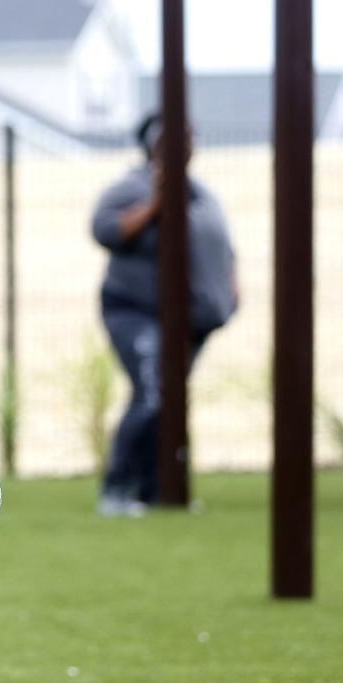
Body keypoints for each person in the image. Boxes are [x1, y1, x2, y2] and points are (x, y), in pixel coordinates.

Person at [92, 112, 237, 516]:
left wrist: (229, 290)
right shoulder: (130, 187)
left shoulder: (202, 194)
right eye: (176, 138)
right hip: (135, 311)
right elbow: (105, 230)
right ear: (153, 146)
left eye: (190, 138)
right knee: (153, 391)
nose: (186, 145)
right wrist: (156, 202)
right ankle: (117, 490)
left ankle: (160, 490)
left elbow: (223, 249)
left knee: (170, 400)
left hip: (191, 320)